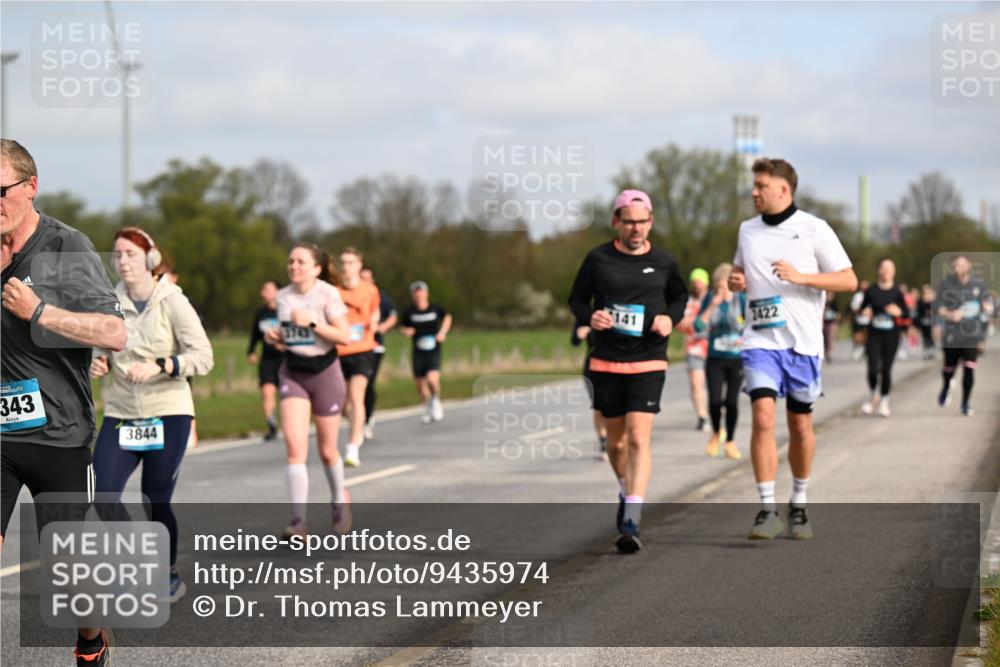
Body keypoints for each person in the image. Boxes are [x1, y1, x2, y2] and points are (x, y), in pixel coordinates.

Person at [1, 139, 127, 667]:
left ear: (31, 187)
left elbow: (114, 332)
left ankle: (92, 640)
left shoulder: (65, 247)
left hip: (60, 435)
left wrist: (39, 312)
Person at [729, 158, 857, 540]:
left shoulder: (814, 229)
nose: (754, 192)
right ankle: (766, 509)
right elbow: (740, 271)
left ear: (784, 190)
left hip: (803, 344)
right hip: (760, 341)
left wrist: (802, 277)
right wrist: (736, 279)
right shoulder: (747, 231)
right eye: (754, 185)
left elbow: (848, 279)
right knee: (763, 417)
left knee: (800, 425)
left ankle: (798, 503)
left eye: (761, 186)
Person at [90, 226, 214, 603]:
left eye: (130, 253)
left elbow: (203, 357)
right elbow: (101, 349)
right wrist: (98, 363)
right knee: (102, 495)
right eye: (118, 255)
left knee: (154, 498)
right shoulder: (109, 302)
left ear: (151, 259)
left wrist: (162, 365)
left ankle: (168, 574)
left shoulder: (173, 301)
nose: (123, 261)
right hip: (122, 412)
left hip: (168, 412)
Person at [568, 189, 688, 554]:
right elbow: (575, 298)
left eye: (642, 221)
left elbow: (680, 297)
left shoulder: (664, 262)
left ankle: (632, 514)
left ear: (650, 222)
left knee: (638, 438)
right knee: (617, 442)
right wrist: (591, 316)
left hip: (649, 359)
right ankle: (626, 488)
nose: (636, 228)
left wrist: (670, 318)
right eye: (629, 221)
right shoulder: (598, 259)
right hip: (606, 360)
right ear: (616, 221)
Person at [264, 245, 353, 537]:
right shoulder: (283, 296)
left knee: (327, 451)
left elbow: (345, 337)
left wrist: (313, 322)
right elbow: (291, 339)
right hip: (293, 373)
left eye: (301, 261)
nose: (294, 266)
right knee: (294, 449)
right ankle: (298, 521)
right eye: (290, 261)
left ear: (316, 268)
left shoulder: (327, 294)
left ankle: (340, 501)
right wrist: (275, 338)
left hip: (326, 373)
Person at [695, 263, 747, 460]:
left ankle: (731, 441)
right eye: (717, 286)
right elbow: (698, 325)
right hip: (715, 358)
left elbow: (750, 325)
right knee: (715, 401)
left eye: (724, 285)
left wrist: (745, 338)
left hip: (736, 359)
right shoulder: (710, 299)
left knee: (732, 401)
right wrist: (713, 304)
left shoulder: (741, 300)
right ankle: (716, 433)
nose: (721, 290)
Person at [335, 247, 381, 467]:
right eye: (343, 262)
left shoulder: (370, 290)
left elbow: (375, 310)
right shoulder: (333, 291)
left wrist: (374, 320)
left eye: (351, 262)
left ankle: (352, 448)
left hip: (363, 350)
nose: (346, 266)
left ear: (359, 265)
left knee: (356, 396)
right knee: (343, 405)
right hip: (340, 351)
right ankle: (358, 423)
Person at [934, 255, 993, 416]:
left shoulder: (978, 284)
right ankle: (946, 386)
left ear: (969, 265)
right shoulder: (946, 285)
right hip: (952, 334)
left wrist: (986, 308)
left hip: (972, 334)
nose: (958, 267)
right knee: (949, 368)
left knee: (969, 368)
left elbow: (988, 304)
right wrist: (950, 314)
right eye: (955, 265)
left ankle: (966, 403)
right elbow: (938, 306)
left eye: (961, 264)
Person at [858, 258, 908, 418]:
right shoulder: (871, 290)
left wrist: (898, 311)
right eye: (882, 267)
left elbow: (906, 313)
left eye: (889, 268)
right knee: (872, 369)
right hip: (874, 335)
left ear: (894, 271)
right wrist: (865, 312)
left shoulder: (897, 292)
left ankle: (885, 401)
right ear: (878, 270)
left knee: (886, 369)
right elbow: (862, 309)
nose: (885, 270)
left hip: (891, 336)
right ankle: (874, 395)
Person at [400, 281, 452, 424]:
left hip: (433, 349)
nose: (419, 295)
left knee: (432, 379)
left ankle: (436, 401)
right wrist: (407, 332)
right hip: (418, 350)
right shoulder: (409, 311)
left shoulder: (435, 309)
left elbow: (448, 317)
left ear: (426, 293)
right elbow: (403, 327)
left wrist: (442, 332)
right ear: (412, 295)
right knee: (420, 383)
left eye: (421, 292)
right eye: (416, 293)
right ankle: (428, 406)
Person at [360, 266, 397, 440]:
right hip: (354, 347)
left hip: (374, 346)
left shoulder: (379, 295)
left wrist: (383, 327)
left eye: (367, 278)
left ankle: (367, 420)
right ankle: (357, 418)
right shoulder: (349, 294)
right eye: (362, 277)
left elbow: (393, 315)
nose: (364, 281)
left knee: (367, 383)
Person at [247, 280, 282, 440]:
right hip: (268, 359)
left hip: (286, 358)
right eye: (263, 289)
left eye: (267, 289)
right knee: (267, 392)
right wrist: (251, 351)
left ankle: (292, 423)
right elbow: (255, 335)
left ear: (278, 292)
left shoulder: (285, 311)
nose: (263, 293)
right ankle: (272, 425)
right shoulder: (261, 314)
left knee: (287, 395)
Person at [677, 268, 710, 431]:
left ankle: (717, 410)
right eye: (694, 281)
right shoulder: (686, 302)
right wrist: (690, 325)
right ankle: (702, 416)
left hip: (714, 348)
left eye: (700, 281)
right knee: (696, 384)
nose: (697, 284)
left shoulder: (714, 300)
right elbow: (680, 324)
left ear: (706, 282)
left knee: (715, 384)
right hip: (694, 348)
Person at [570, 321, 608, 460]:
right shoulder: (584, 315)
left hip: (616, 364)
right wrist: (579, 334)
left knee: (616, 406)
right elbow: (574, 341)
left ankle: (618, 439)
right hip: (592, 368)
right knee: (599, 407)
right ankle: (604, 443)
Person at [849, 279, 870, 361]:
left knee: (867, 336)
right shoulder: (857, 296)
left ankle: (865, 351)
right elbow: (853, 308)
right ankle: (857, 349)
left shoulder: (870, 295)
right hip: (859, 319)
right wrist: (860, 311)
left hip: (868, 320)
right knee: (857, 336)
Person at [916, 284, 937, 360]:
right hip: (923, 321)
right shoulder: (920, 301)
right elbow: (918, 312)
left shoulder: (932, 301)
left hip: (931, 321)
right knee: (924, 337)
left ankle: (931, 352)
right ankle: (926, 352)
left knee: (930, 337)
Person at [822, 290, 841, 362]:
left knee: (830, 337)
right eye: (829, 295)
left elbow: (838, 314)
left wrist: (837, 320)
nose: (830, 297)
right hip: (824, 322)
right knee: (824, 338)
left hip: (832, 322)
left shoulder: (835, 304)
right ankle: (825, 350)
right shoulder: (823, 302)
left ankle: (829, 352)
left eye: (831, 295)